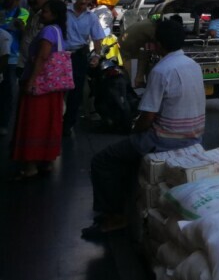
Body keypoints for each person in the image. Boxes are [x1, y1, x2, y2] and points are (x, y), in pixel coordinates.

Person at [83, 18, 206, 239]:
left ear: (157, 43)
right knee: (127, 155)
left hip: (164, 140)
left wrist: (134, 130)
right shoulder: (193, 65)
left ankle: (113, 217)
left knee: (102, 160)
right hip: (194, 137)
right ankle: (126, 206)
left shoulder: (161, 70)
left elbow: (147, 117)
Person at [9, 0, 68, 179]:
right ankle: (46, 161)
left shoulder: (48, 31)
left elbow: (42, 57)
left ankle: (31, 165)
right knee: (49, 122)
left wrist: (31, 81)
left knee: (33, 123)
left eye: (46, 12)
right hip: (52, 87)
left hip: (40, 86)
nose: (42, 14)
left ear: (54, 15)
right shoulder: (59, 31)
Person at [64, 0, 106, 135]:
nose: (83, 1)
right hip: (61, 56)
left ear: (90, 1)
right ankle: (54, 121)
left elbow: (97, 38)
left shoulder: (92, 17)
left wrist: (96, 56)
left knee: (76, 92)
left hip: (79, 56)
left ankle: (67, 125)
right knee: (57, 90)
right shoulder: (64, 12)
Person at [1, 0, 29, 134]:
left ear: (19, 0)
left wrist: (21, 27)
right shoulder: (1, 9)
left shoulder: (22, 12)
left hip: (12, 57)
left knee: (8, 91)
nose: (11, 2)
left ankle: (4, 123)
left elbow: (23, 32)